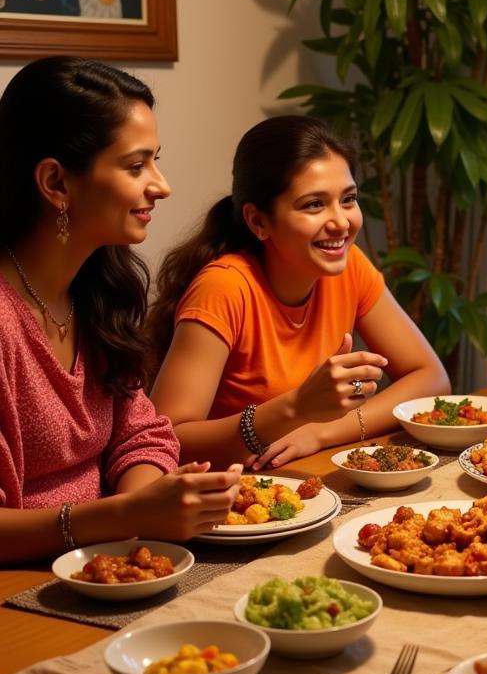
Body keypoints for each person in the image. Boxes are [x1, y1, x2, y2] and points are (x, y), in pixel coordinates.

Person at [0, 58, 241, 564]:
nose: (161, 185)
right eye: (136, 166)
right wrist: (128, 515)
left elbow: (142, 432)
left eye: (155, 160)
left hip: (113, 559)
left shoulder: (98, 285)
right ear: (56, 183)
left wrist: (150, 503)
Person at [148, 115, 449, 470]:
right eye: (314, 205)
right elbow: (164, 443)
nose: (340, 222)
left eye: (348, 199)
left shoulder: (349, 265)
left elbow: (431, 377)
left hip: (311, 480)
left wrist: (322, 431)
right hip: (233, 502)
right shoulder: (224, 286)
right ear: (259, 221)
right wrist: (295, 410)